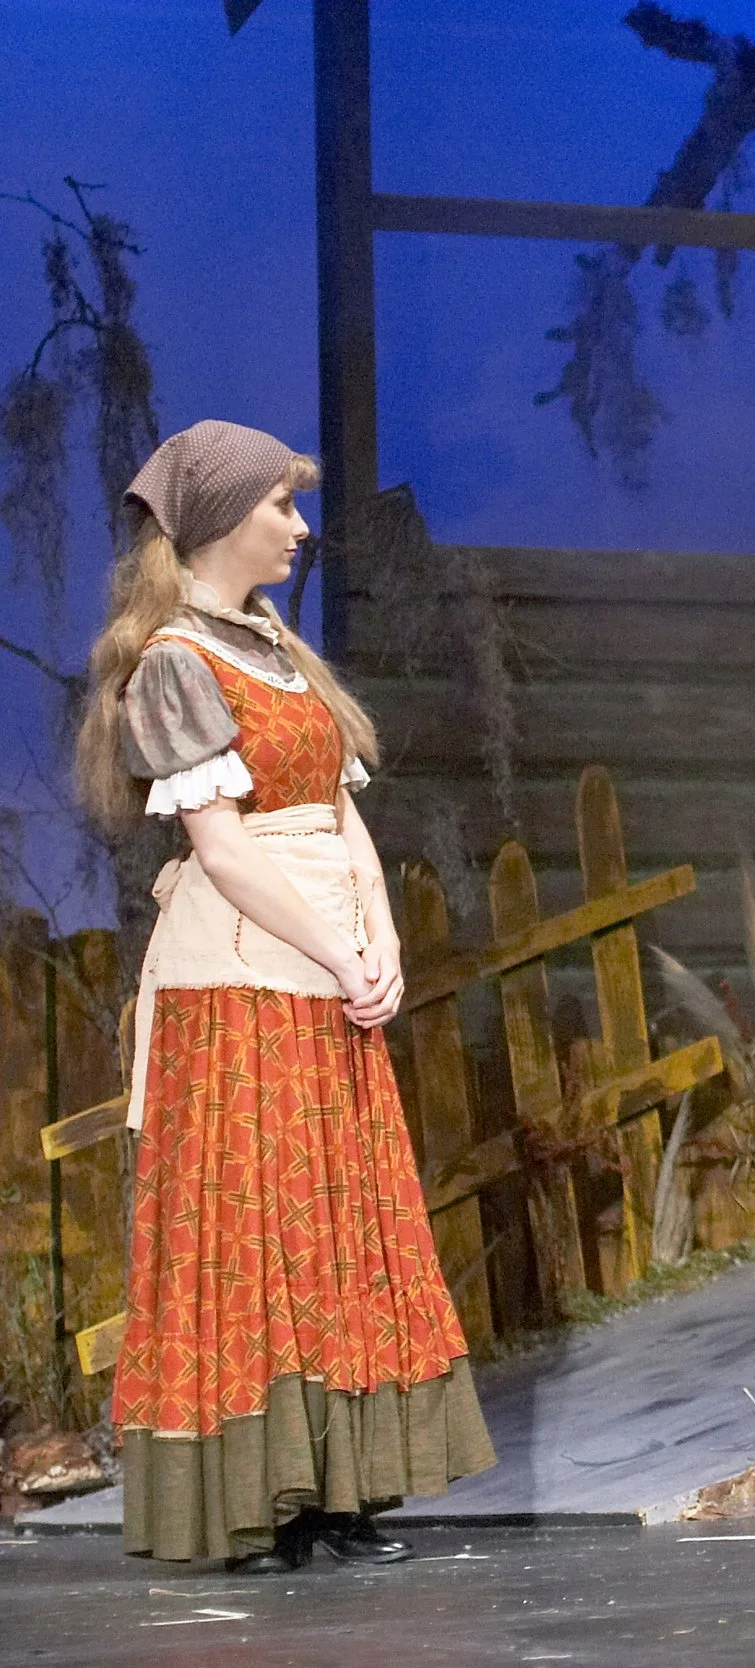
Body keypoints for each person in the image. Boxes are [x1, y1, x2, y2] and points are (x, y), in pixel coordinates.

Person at [72, 421, 494, 1570]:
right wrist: (334, 953)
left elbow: (340, 815)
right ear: (220, 521)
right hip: (242, 973)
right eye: (280, 506)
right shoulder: (174, 663)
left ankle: (336, 1490)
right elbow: (223, 849)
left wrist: (381, 939)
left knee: (331, 1218)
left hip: (323, 961)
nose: (300, 528)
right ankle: (251, 1502)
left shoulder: (274, 648)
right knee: (250, 1224)